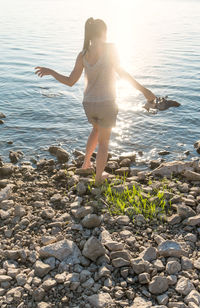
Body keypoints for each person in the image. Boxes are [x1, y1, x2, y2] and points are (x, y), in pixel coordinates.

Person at [35, 17, 156, 184]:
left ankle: (86, 164)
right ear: (104, 32)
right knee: (104, 142)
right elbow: (123, 74)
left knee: (96, 130)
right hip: (107, 103)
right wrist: (145, 91)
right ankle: (99, 178)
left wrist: (51, 71)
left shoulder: (83, 54)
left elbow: (70, 82)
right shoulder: (111, 49)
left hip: (89, 104)